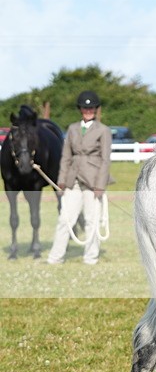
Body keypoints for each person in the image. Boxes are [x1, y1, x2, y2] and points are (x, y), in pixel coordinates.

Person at [47, 90, 112, 265]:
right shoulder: (72, 129)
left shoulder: (103, 130)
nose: (88, 111)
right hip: (73, 180)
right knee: (65, 219)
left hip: (93, 180)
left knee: (92, 220)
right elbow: (66, 157)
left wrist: (100, 185)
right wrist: (61, 180)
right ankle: (55, 257)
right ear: (80, 109)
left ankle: (91, 257)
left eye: (91, 108)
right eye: (85, 108)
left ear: (96, 109)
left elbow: (105, 160)